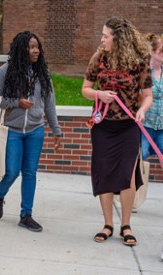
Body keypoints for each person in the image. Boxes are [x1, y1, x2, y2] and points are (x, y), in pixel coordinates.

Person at [82, 16, 153, 246]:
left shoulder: (140, 61)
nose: (102, 39)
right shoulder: (99, 57)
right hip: (103, 125)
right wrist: (99, 94)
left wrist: (142, 110)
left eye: (106, 36)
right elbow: (85, 88)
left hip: (129, 126)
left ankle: (126, 225)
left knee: (127, 175)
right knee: (104, 172)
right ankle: (107, 224)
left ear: (119, 38)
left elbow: (148, 95)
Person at [0, 31, 61, 232]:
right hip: (12, 130)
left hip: (35, 131)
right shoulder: (6, 70)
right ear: (22, 49)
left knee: (29, 173)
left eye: (37, 46)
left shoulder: (42, 73)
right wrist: (17, 103)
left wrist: (56, 130)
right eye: (31, 47)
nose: (35, 50)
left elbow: (50, 104)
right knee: (11, 172)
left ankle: (26, 214)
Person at [141, 33, 163, 160]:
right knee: (141, 155)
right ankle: (138, 180)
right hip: (146, 125)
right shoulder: (144, 72)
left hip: (162, 125)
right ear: (153, 52)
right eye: (162, 51)